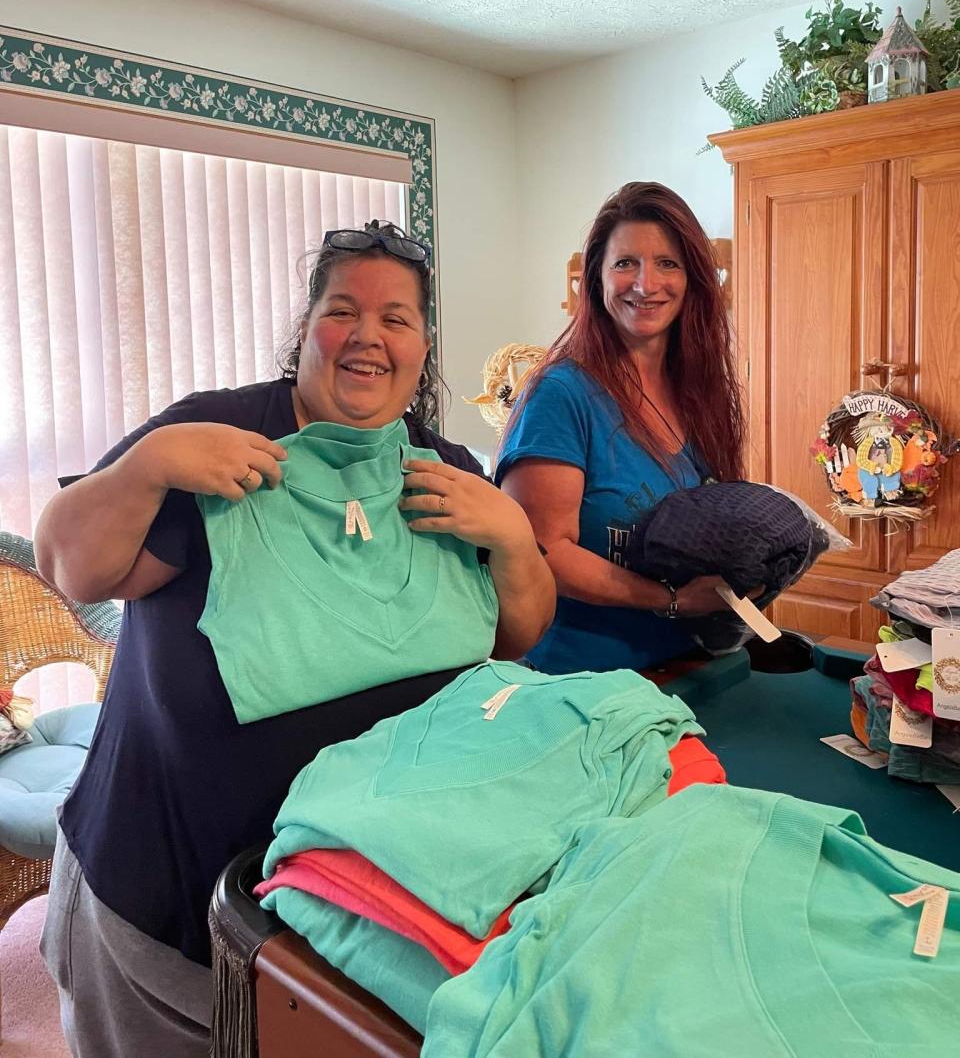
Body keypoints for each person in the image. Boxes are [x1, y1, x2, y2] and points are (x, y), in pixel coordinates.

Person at [35, 220, 554, 1058]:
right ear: (306, 327)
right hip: (163, 900)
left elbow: (517, 635)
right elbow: (71, 564)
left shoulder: (445, 470)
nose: (368, 336)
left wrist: (515, 538)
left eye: (397, 318)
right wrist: (146, 465)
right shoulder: (220, 438)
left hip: (347, 928)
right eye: (343, 309)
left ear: (424, 345)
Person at [497, 182, 745, 675]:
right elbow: (542, 553)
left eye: (667, 263)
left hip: (689, 667)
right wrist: (671, 599)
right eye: (625, 263)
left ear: (693, 279)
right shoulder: (560, 395)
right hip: (583, 681)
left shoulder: (699, 392)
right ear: (597, 279)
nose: (646, 283)